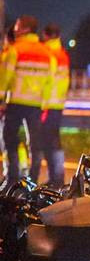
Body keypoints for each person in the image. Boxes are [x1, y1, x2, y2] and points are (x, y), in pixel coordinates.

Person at [0, 16, 55, 183]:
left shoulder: (15, 50)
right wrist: (45, 104)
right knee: (35, 144)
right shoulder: (47, 53)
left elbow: (5, 78)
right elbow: (50, 82)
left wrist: (1, 99)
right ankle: (33, 180)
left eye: (17, 26)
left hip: (16, 102)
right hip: (36, 104)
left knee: (9, 139)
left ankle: (12, 178)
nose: (15, 30)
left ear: (25, 29)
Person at [29, 24, 69, 183]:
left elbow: (47, 81)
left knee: (45, 142)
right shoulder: (63, 54)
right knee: (53, 140)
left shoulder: (48, 53)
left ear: (45, 35)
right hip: (58, 103)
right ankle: (57, 178)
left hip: (46, 104)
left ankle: (54, 179)